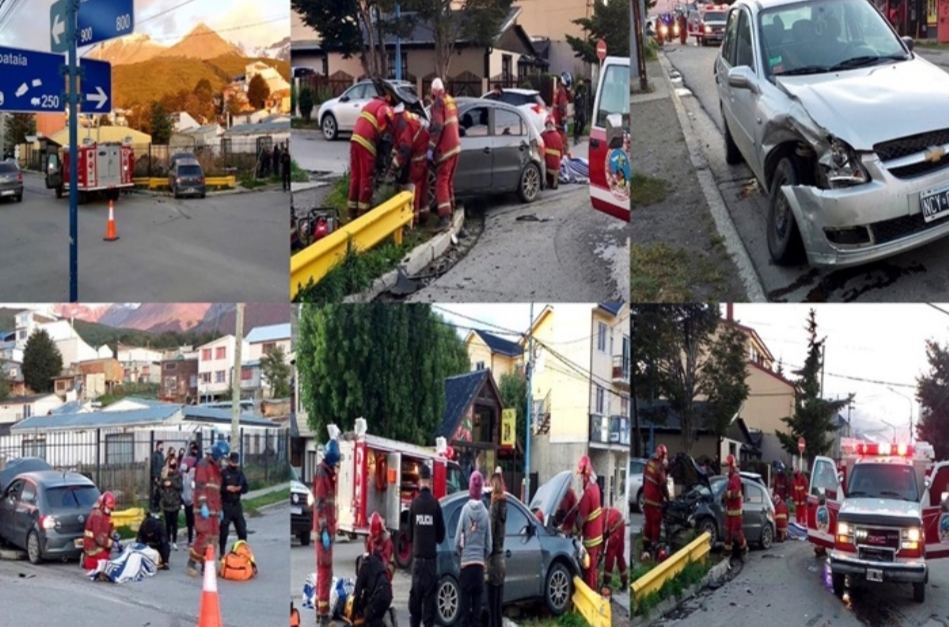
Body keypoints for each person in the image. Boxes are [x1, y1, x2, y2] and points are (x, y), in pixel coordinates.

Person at [408, 463, 445, 627]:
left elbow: (408, 535)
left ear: (418, 482)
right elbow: (441, 536)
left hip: (417, 564)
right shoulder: (435, 505)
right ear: (429, 481)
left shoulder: (414, 505)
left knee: (415, 612)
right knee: (429, 613)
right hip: (430, 564)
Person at [348, 94, 395, 220]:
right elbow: (383, 129)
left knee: (355, 177)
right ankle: (363, 215)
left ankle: (351, 213)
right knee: (366, 178)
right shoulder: (385, 108)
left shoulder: (370, 104)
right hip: (367, 143)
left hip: (354, 140)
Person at [454, 471, 491, 627]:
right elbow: (489, 545)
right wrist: (483, 557)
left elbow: (457, 541)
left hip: (466, 567)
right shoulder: (485, 513)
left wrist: (461, 554)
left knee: (464, 614)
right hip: (478, 569)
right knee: (476, 614)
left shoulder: (464, 511)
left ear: (470, 488)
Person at [188, 440, 228, 577]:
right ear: (217, 455)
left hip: (214, 509)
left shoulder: (218, 470)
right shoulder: (204, 465)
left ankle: (207, 564)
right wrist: (203, 505)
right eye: (223, 458)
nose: (224, 461)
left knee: (214, 537)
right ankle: (192, 562)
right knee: (204, 536)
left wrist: (220, 508)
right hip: (203, 508)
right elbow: (200, 487)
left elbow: (217, 491)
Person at [386, 104, 431, 223]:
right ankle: (424, 214)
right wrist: (393, 156)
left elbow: (405, 148)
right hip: (422, 147)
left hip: (419, 152)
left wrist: (394, 166)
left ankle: (413, 218)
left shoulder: (402, 124)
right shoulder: (400, 120)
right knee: (422, 184)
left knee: (414, 183)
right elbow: (399, 143)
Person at [314, 437, 341, 626]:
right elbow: (321, 504)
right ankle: (323, 615)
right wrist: (324, 528)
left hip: (326, 532)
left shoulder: (325, 473)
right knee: (325, 573)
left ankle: (320, 610)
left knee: (324, 572)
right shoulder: (323, 474)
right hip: (324, 532)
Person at [428, 78, 461, 231]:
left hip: (445, 150)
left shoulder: (438, 103)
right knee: (448, 182)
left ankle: (444, 219)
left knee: (441, 182)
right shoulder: (451, 100)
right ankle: (452, 211)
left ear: (434, 91)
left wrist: (431, 148)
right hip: (455, 148)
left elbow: (437, 127)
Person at [575, 455, 603, 589]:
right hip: (597, 535)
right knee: (593, 569)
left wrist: (574, 530)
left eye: (581, 475)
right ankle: (594, 592)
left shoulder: (588, 492)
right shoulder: (595, 486)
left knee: (589, 569)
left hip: (591, 537)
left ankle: (591, 598)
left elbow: (582, 517)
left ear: (585, 473)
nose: (580, 478)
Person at [486, 470, 506, 627]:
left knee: (491, 608)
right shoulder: (505, 504)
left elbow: (490, 533)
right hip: (502, 559)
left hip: (493, 560)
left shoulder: (494, 506)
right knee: (498, 608)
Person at [641, 444, 669, 556]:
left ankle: (645, 546)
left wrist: (644, 493)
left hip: (647, 499)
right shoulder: (659, 467)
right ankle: (654, 547)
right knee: (655, 524)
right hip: (655, 501)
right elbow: (663, 485)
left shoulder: (649, 463)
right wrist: (667, 498)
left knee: (648, 522)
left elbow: (644, 479)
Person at [352, 551, 393, 627]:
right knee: (375, 614)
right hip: (388, 592)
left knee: (368, 621)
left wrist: (352, 618)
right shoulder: (374, 561)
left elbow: (357, 596)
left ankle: (384, 624)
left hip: (380, 593)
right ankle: (389, 616)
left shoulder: (364, 567)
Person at [220, 451, 249, 553]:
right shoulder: (224, 473)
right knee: (224, 531)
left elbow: (246, 488)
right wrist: (227, 488)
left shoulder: (240, 474)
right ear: (229, 461)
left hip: (236, 505)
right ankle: (222, 551)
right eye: (233, 462)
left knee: (242, 530)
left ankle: (242, 551)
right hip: (226, 505)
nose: (234, 464)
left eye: (236, 462)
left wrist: (240, 488)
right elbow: (219, 488)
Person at [723, 454, 748, 560]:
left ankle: (744, 550)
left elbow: (736, 493)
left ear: (732, 466)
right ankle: (727, 552)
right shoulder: (730, 478)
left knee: (737, 532)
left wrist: (726, 494)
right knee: (728, 532)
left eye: (728, 466)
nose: (726, 468)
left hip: (736, 512)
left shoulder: (736, 478)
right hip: (730, 511)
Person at [83, 491, 116, 570]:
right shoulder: (97, 515)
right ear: (103, 504)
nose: (109, 509)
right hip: (92, 545)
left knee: (105, 559)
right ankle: (87, 561)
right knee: (105, 563)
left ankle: (89, 561)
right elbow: (98, 536)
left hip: (99, 544)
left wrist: (114, 535)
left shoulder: (105, 514)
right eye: (108, 507)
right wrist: (109, 542)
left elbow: (108, 528)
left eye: (110, 508)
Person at [601, 505, 628, 590]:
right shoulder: (599, 514)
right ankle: (624, 582)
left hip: (615, 526)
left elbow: (601, 540)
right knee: (619, 554)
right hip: (619, 522)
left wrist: (600, 554)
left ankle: (606, 583)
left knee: (610, 555)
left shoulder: (596, 523)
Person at [160, 456, 183, 551]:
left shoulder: (178, 474)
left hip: (175, 502)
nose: (173, 462)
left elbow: (180, 486)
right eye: (171, 461)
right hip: (166, 502)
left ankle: (174, 541)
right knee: (167, 523)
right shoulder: (165, 474)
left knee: (174, 523)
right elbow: (160, 486)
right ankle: (168, 541)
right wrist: (163, 494)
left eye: (174, 461)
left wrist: (172, 483)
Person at [366, 511, 396, 582]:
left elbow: (385, 562)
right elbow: (368, 553)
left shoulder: (387, 541)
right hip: (375, 565)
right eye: (373, 537)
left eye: (375, 537)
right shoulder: (370, 538)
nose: (374, 539)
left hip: (387, 567)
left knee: (382, 578)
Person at [540, 116, 563, 189]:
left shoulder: (543, 135)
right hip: (557, 165)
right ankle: (555, 179)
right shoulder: (558, 136)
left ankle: (545, 181)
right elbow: (561, 152)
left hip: (548, 165)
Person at [553, 73, 571, 150]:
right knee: (563, 144)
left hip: (555, 121)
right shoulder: (562, 92)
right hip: (560, 124)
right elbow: (562, 108)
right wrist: (564, 123)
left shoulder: (557, 89)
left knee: (556, 143)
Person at [181, 455, 196, 548]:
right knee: (188, 522)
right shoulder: (183, 475)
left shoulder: (193, 473)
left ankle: (196, 540)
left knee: (194, 521)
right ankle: (189, 540)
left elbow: (195, 486)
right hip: (185, 500)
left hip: (192, 501)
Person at [150, 441, 165, 512]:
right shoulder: (154, 455)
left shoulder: (162, 455)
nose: (162, 447)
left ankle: (159, 506)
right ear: (157, 446)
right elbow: (154, 466)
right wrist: (155, 477)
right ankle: (155, 506)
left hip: (162, 476)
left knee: (160, 492)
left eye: (163, 445)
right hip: (157, 476)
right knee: (157, 491)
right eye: (161, 445)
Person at [572, 80, 587, 146]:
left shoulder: (583, 91)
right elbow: (574, 101)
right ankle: (575, 138)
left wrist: (583, 108)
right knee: (576, 124)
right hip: (577, 110)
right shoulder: (576, 92)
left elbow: (584, 100)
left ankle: (579, 135)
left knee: (583, 122)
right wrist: (575, 110)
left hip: (582, 109)